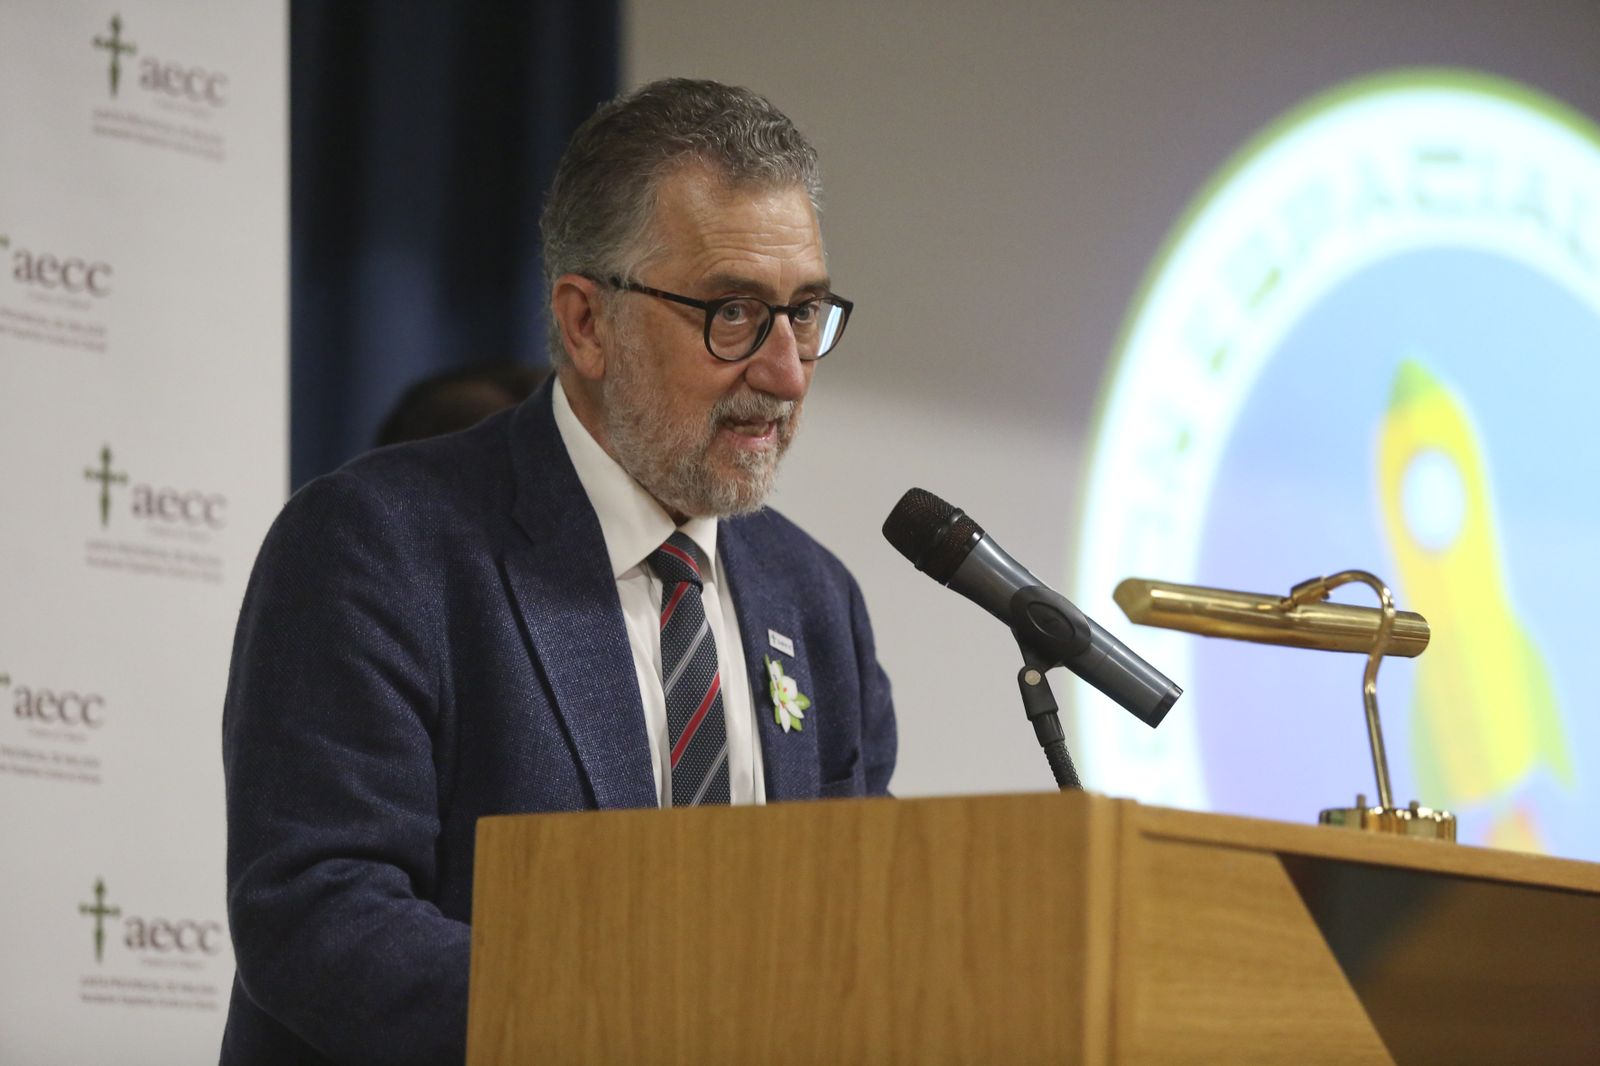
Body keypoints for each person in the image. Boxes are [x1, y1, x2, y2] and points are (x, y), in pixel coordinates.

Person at [220, 78, 897, 1065]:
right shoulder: (380, 543)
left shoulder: (814, 598)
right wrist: (643, 1022)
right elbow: (320, 916)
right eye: (734, 315)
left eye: (803, 314)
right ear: (586, 323)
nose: (786, 372)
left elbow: (852, 926)